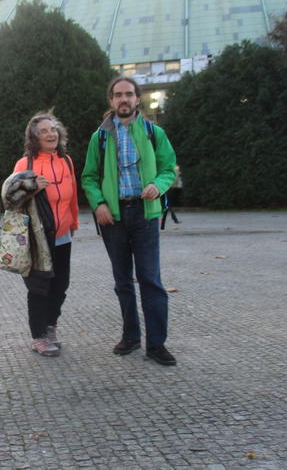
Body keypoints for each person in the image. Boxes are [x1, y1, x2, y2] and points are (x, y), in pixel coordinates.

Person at [81, 77, 178, 365]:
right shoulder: (99, 137)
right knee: (123, 281)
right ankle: (131, 336)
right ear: (111, 101)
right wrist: (98, 204)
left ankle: (157, 344)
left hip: (145, 214)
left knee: (151, 280)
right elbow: (89, 177)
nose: (123, 99)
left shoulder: (153, 132)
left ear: (138, 99)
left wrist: (158, 186)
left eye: (129, 94)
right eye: (118, 95)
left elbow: (168, 168)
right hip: (114, 217)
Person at [12, 112, 79, 356]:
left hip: (63, 235)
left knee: (61, 285)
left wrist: (74, 222)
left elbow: (73, 195)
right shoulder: (25, 164)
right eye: (43, 131)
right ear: (34, 137)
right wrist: (31, 187)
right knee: (40, 286)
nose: (50, 134)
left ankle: (51, 327)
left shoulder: (67, 161)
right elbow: (11, 200)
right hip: (37, 239)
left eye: (53, 129)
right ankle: (39, 336)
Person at [160, 165, 182, 230]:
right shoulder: (174, 169)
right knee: (167, 206)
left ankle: (163, 225)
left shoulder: (171, 169)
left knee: (167, 206)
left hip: (167, 189)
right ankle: (174, 220)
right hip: (167, 189)